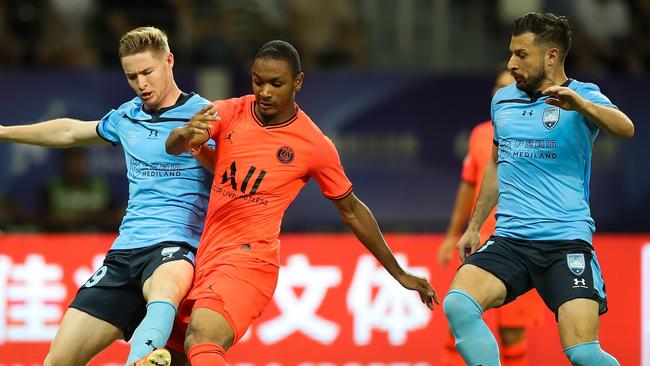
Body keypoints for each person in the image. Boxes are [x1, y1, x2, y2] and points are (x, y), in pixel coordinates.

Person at [164, 40, 438, 365]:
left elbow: (351, 210)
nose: (264, 91)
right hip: (206, 257)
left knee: (203, 336)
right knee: (174, 354)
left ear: (298, 82)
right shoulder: (230, 110)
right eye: (257, 81)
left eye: (275, 84)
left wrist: (398, 272)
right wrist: (184, 134)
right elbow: (176, 147)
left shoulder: (313, 145)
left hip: (250, 264)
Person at [0, 26, 214, 366]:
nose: (141, 84)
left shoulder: (207, 115)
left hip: (177, 247)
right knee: (57, 361)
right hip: (124, 255)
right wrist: (3, 132)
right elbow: (69, 131)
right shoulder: (127, 117)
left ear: (169, 61)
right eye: (132, 77)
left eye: (147, 72)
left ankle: (140, 361)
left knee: (165, 290)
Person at [443, 12, 634, 366]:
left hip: (566, 243)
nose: (511, 63)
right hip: (511, 241)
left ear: (551, 56)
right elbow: (496, 165)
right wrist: (473, 226)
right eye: (511, 53)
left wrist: (582, 106)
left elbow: (626, 128)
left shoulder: (582, 96)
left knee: (582, 353)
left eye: (521, 55)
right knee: (458, 303)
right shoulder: (503, 101)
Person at [438, 67, 543, 366]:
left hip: (521, 244)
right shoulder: (481, 134)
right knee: (458, 319)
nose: (502, 92)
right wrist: (451, 234)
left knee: (512, 334)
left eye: (511, 87)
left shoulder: (541, 135)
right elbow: (468, 185)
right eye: (498, 86)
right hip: (480, 244)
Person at [39, 148, 122, 232]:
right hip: (62, 238)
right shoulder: (53, 187)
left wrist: (70, 218)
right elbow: (47, 219)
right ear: (63, 165)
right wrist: (90, 218)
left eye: (79, 161)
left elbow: (113, 217)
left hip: (96, 238)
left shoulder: (100, 186)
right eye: (71, 163)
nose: (76, 167)